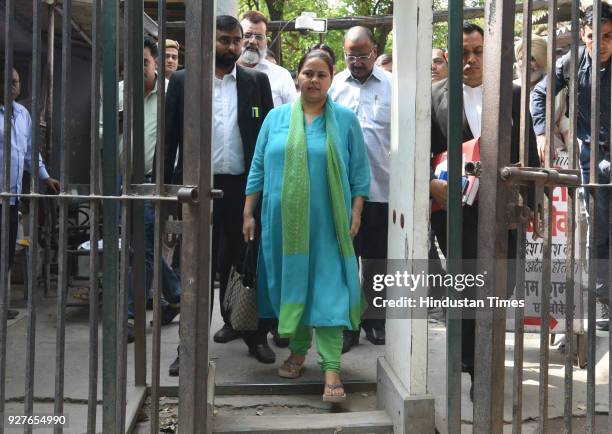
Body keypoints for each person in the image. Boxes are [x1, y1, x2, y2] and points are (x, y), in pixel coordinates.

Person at [242, 48, 370, 402]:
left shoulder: (344, 120)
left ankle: (331, 367)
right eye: (308, 73)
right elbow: (257, 167)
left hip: (330, 223)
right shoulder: (276, 118)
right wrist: (248, 212)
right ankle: (298, 350)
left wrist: (356, 212)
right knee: (294, 284)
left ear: (331, 80)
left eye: (322, 75)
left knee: (328, 291)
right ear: (297, 76)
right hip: (285, 223)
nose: (314, 80)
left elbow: (360, 172)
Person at [429, 22, 538, 401]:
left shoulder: (512, 94)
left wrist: (534, 203)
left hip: (505, 209)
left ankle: (472, 351)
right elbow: (421, 155)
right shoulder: (434, 98)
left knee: (500, 287)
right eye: (463, 52)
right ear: (449, 56)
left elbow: (530, 154)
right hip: (455, 212)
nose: (471, 59)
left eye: (478, 51)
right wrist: (431, 184)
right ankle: (479, 371)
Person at [164, 16, 275, 375]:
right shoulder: (183, 81)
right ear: (209, 42)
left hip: (243, 190)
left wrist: (265, 193)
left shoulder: (258, 82)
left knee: (247, 261)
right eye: (224, 40)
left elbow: (269, 142)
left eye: (235, 40)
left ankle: (254, 335)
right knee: (193, 267)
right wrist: (168, 196)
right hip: (196, 190)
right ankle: (188, 346)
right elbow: (168, 142)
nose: (230, 46)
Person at [531, 3, 612, 330]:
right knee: (598, 230)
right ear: (583, 35)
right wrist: (542, 132)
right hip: (592, 155)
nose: (602, 44)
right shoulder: (571, 63)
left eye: (609, 37)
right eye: (595, 36)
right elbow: (539, 93)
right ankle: (603, 301)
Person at [329, 26, 392, 352]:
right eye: (351, 55)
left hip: (382, 189)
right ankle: (348, 324)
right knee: (345, 259)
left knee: (378, 260)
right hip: (342, 192)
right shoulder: (334, 87)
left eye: (363, 55)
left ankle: (375, 320)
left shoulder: (393, 87)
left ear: (375, 51)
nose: (356, 62)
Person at [120, 37, 182, 343]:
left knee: (141, 245)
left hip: (153, 180)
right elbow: (105, 134)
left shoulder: (171, 93)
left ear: (156, 62)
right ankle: (175, 291)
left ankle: (132, 315)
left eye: (144, 61)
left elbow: (179, 140)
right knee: (137, 245)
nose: (138, 68)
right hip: (123, 181)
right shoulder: (118, 91)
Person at [0, 65, 60, 319]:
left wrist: (45, 177)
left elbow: (28, 153)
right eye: (11, 81)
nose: (16, 85)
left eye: (18, 81)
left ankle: (2, 305)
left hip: (11, 197)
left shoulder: (23, 114)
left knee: (6, 252)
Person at [514, 35, 571, 151]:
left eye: (532, 59)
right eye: (521, 58)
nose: (525, 64)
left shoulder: (559, 92)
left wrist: (574, 161)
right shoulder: (510, 89)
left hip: (552, 158)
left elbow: (567, 130)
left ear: (543, 60)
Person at [238, 10, 296, 107]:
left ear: (266, 41)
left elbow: (293, 114)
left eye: (259, 37)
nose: (252, 41)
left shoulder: (281, 76)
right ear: (238, 38)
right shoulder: (226, 71)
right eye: (247, 36)